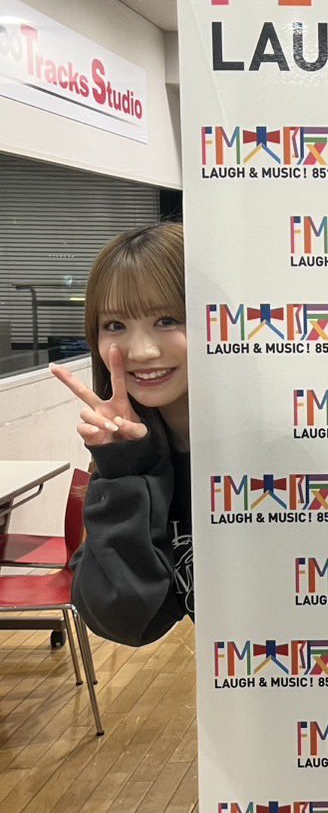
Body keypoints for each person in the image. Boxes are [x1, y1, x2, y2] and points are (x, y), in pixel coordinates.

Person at [51, 222, 193, 645]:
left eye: (167, 320)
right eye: (115, 325)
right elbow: (127, 621)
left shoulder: (280, 449)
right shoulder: (135, 457)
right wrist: (125, 473)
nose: (142, 351)